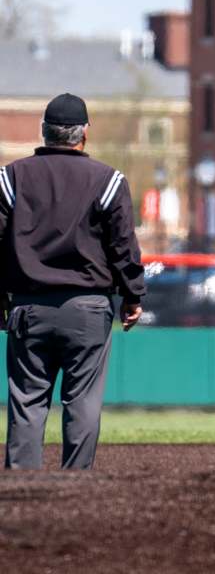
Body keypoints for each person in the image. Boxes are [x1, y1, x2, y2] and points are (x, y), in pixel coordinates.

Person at [0, 93, 145, 469]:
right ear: (84, 135)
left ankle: (21, 489)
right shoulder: (108, 180)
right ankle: (74, 492)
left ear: (44, 132)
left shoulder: (11, 177)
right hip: (87, 309)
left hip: (28, 307)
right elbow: (123, 245)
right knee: (82, 400)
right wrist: (132, 296)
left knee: (27, 402)